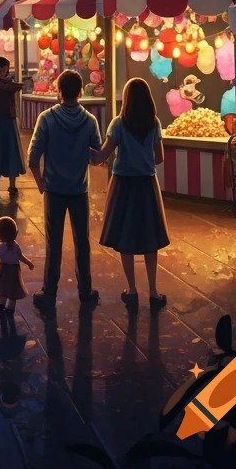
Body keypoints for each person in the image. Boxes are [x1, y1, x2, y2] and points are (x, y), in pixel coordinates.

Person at [91, 77, 169, 309]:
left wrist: (81, 147)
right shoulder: (154, 123)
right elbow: (159, 158)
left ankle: (132, 289)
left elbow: (101, 156)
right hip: (146, 185)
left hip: (123, 185)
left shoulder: (118, 124)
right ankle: (153, 291)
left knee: (125, 237)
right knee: (149, 238)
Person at [27, 69, 102, 311]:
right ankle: (85, 291)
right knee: (83, 243)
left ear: (59, 90)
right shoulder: (89, 121)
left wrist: (41, 183)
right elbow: (97, 156)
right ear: (80, 91)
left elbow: (33, 157)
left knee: (54, 244)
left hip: (55, 190)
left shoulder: (47, 119)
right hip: (79, 190)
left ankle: (49, 293)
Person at [0, 56, 26, 196]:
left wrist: (18, 84)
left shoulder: (6, 83)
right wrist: (21, 84)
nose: (3, 72)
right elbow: (7, 88)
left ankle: (12, 185)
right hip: (0, 121)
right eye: (1, 69)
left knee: (11, 152)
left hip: (9, 120)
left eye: (5, 69)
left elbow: (10, 87)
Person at [0, 216, 34, 316]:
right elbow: (20, 256)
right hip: (14, 271)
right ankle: (11, 307)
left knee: (4, 287)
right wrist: (29, 263)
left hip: (4, 270)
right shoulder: (16, 246)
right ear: (15, 233)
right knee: (14, 288)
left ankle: (1, 303)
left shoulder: (1, 246)